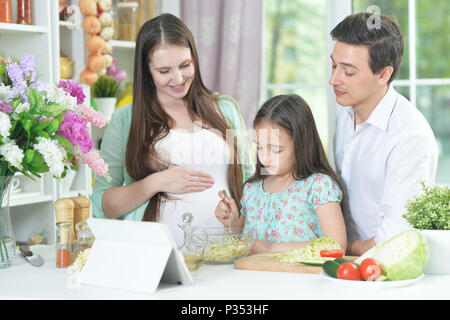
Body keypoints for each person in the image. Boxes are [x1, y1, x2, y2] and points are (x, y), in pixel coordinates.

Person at [90, 13, 254, 247]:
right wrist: (155, 182)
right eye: (164, 71)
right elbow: (103, 202)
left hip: (224, 254)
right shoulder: (126, 119)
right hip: (157, 258)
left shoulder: (225, 109)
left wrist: (239, 219)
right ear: (147, 70)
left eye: (185, 65)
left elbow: (250, 185)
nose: (178, 78)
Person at [329, 13, 438, 256]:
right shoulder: (345, 115)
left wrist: (334, 247)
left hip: (384, 273)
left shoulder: (410, 137)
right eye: (334, 66)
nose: (333, 79)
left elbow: (394, 238)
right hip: (344, 266)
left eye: (347, 72)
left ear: (383, 74)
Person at [215, 94, 347, 255]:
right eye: (259, 147)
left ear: (301, 144)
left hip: (301, 279)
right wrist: (233, 224)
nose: (264, 157)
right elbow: (245, 245)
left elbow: (336, 245)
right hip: (252, 278)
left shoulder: (318, 186)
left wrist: (271, 248)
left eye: (276, 150)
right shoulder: (251, 190)